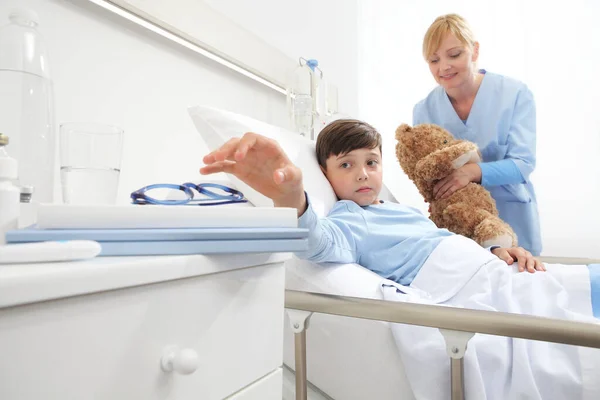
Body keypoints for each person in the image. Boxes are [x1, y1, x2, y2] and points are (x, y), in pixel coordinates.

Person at [200, 119, 544, 290]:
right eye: (347, 165)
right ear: (325, 173)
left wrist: (497, 252)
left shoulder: (403, 211)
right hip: (467, 284)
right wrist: (290, 197)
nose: (363, 174)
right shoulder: (351, 218)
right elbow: (318, 243)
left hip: (490, 268)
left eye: (372, 163)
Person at [412, 14, 542, 256]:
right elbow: (426, 176)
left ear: (474, 50)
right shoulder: (424, 110)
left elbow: (523, 164)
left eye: (454, 54)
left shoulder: (514, 94)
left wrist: (471, 172)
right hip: (458, 230)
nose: (444, 67)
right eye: (433, 60)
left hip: (514, 224)